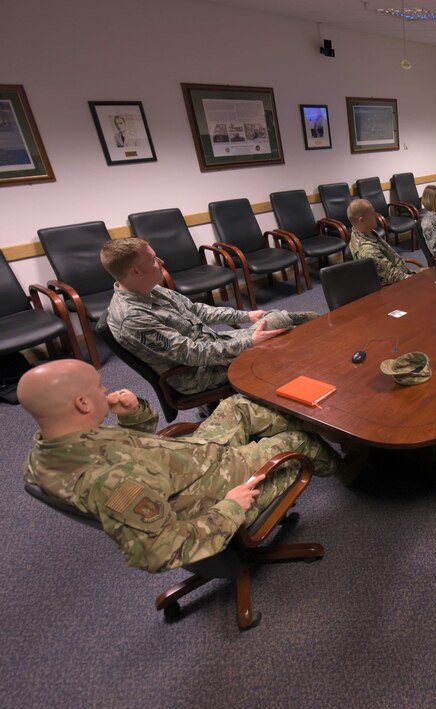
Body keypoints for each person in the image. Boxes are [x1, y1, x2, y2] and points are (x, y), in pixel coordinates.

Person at [19, 359, 354, 573]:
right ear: (81, 403)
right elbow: (159, 551)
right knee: (295, 441)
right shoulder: (111, 483)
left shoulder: (52, 447)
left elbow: (138, 455)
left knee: (238, 405)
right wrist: (229, 510)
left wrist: (134, 414)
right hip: (212, 490)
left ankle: (341, 428)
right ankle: (351, 470)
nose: (105, 390)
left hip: (190, 457)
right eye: (98, 387)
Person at [101, 237, 318, 396]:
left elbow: (198, 311)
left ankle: (317, 321)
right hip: (196, 373)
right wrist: (248, 342)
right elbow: (191, 355)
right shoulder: (133, 318)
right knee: (282, 338)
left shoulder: (150, 289)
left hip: (212, 346)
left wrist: (247, 315)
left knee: (279, 321)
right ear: (135, 272)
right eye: (152, 259)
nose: (161, 261)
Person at [346, 198, 414, 286]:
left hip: (402, 272)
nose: (376, 216)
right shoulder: (368, 251)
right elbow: (393, 277)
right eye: (372, 214)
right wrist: (417, 278)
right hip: (395, 287)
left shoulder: (361, 232)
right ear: (362, 220)